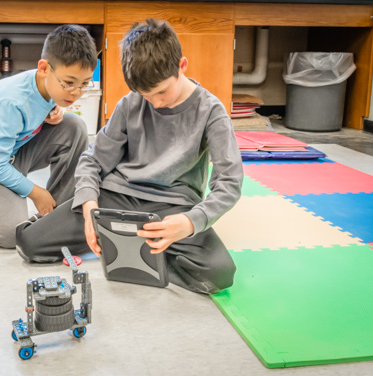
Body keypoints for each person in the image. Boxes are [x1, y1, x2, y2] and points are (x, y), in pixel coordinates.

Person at [16, 19, 243, 295]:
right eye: (146, 95)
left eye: (161, 91)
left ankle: (127, 247)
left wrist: (189, 222)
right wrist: (89, 206)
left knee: (218, 273)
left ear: (182, 66)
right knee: (30, 243)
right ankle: (129, 245)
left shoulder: (211, 112)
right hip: (115, 199)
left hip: (172, 208)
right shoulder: (130, 103)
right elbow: (93, 161)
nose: (156, 103)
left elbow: (229, 183)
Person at [0, 24, 97, 249]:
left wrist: (54, 109)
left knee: (74, 126)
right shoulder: (12, 102)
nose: (76, 92)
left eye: (84, 84)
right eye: (69, 83)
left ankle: (56, 213)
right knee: (9, 235)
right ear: (44, 68)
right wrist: (36, 192)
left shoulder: (49, 85)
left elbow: (44, 104)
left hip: (9, 153)